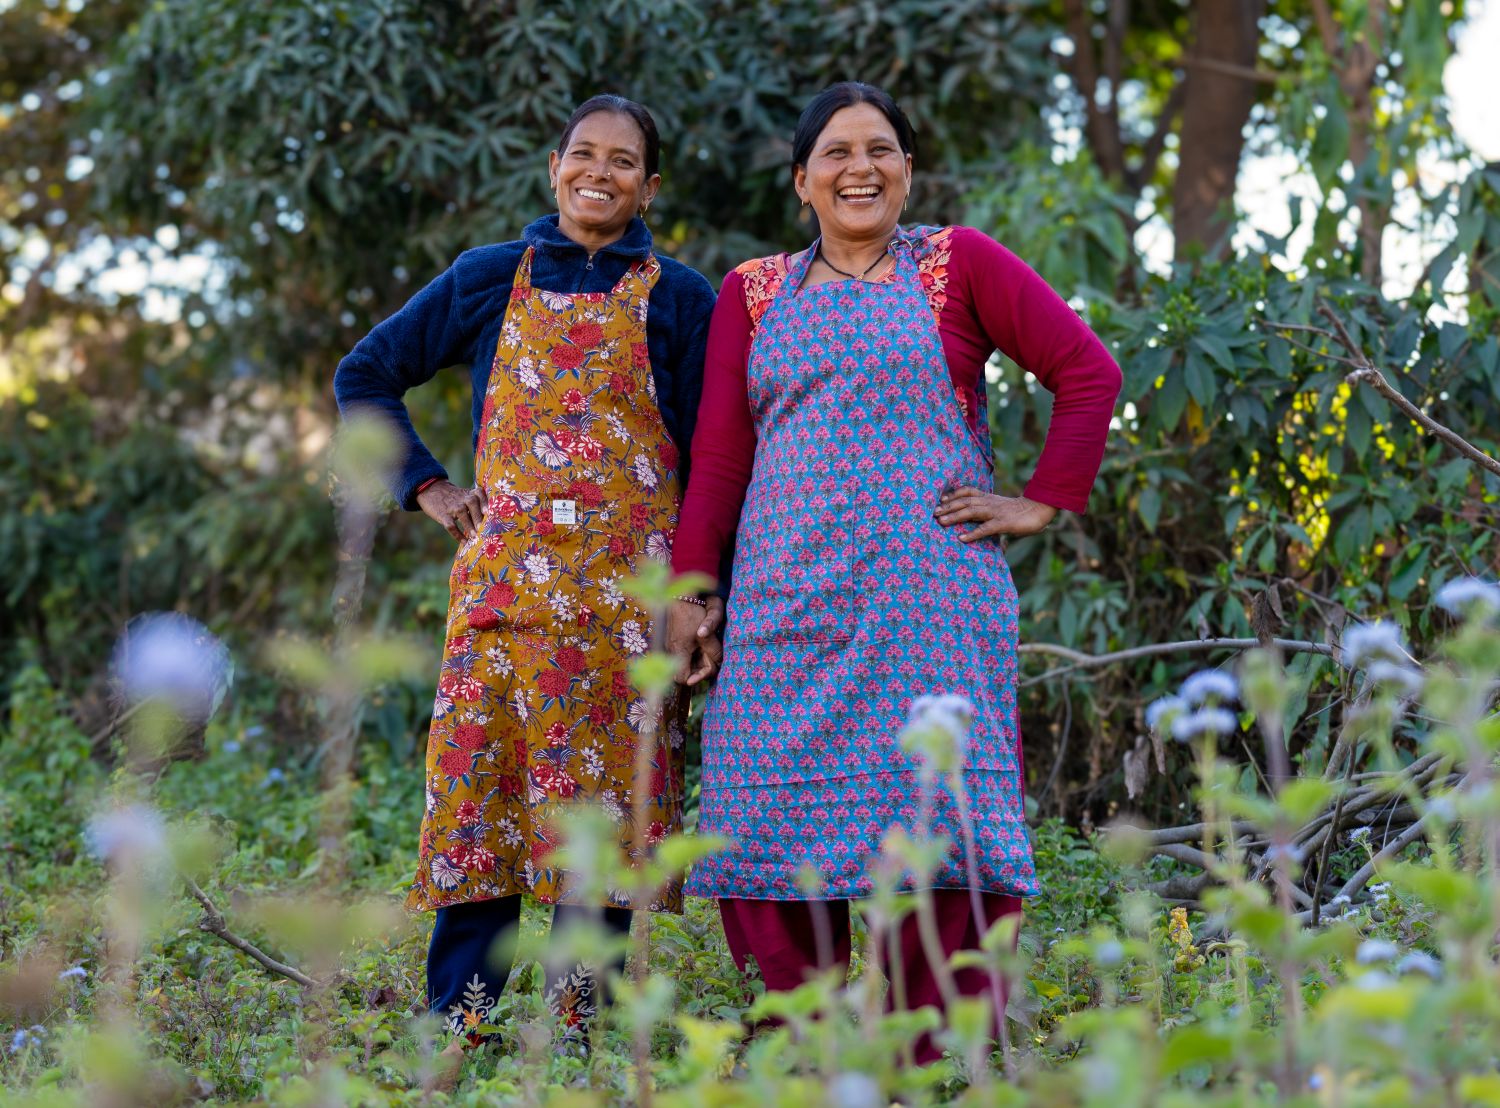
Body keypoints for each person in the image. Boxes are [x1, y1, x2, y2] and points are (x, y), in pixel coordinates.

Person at [666, 81, 1121, 1063]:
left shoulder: (957, 267)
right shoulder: (750, 292)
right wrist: (695, 593)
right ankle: (803, 1057)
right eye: (836, 152)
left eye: (882, 149)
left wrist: (1043, 498)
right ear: (801, 180)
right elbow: (719, 460)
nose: (859, 167)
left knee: (939, 824)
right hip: (787, 608)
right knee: (758, 816)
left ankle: (937, 1063)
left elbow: (1088, 371)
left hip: (933, 608)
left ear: (909, 172)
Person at [335, 94, 720, 1062]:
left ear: (649, 185)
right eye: (583, 155)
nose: (601, 172)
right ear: (554, 168)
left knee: (598, 854)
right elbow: (365, 375)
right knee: (480, 829)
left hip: (623, 629)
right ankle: (453, 1041)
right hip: (500, 612)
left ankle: (576, 1054)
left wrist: (706, 598)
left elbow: (720, 452)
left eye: (624, 161)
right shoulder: (484, 279)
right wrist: (423, 485)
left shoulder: (679, 298)